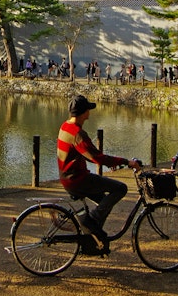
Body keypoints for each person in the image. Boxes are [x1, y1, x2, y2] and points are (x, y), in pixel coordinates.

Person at [57, 95, 140, 244]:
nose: (90, 111)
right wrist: (127, 162)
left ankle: (92, 240)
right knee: (120, 188)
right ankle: (92, 221)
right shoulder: (78, 134)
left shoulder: (65, 126)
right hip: (77, 179)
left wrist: (112, 162)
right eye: (88, 109)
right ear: (84, 113)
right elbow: (97, 158)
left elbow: (88, 155)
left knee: (103, 200)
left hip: (67, 178)